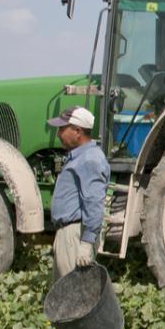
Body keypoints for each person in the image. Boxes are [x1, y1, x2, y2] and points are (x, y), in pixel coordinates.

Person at [47, 106, 111, 281]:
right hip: (68, 234)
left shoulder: (90, 159)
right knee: (65, 293)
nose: (59, 134)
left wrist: (86, 242)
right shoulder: (79, 156)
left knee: (74, 295)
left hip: (75, 235)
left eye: (62, 129)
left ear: (78, 131)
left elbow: (94, 202)